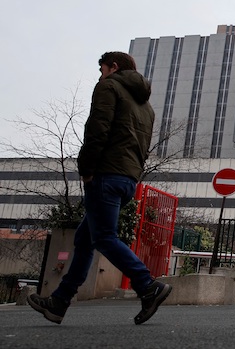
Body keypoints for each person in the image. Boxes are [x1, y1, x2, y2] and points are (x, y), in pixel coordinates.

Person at [28, 52, 172, 325]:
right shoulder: (146, 106)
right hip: (127, 178)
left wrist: (87, 170)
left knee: (104, 237)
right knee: (85, 240)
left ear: (113, 67)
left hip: (105, 174)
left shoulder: (108, 86)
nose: (100, 74)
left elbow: (97, 129)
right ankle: (59, 302)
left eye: (102, 69)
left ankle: (148, 285)